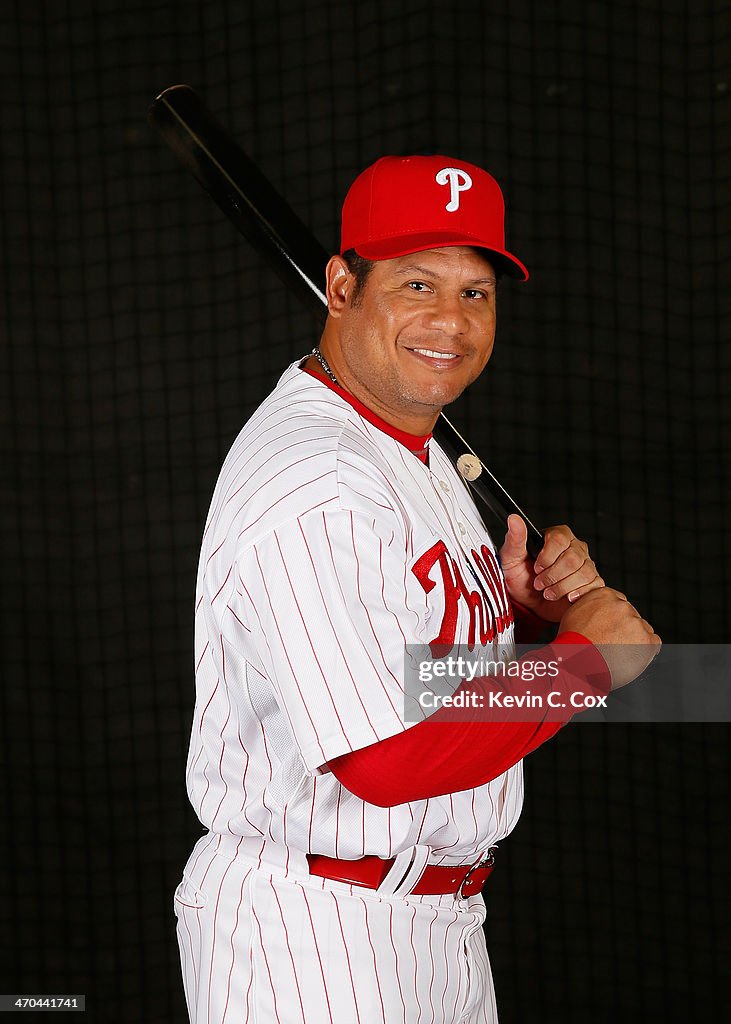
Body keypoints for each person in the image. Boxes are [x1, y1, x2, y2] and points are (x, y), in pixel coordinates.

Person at [174, 153, 659, 1023]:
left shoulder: (407, 439)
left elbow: (405, 666)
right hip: (316, 934)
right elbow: (385, 757)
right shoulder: (318, 474)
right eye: (417, 283)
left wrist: (511, 609)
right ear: (341, 284)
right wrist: (582, 666)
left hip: (432, 924)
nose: (451, 321)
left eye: (476, 292)